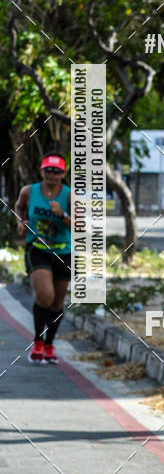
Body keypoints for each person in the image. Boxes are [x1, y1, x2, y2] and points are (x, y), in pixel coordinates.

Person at [15, 152, 71, 364]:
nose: (52, 175)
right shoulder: (29, 191)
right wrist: (21, 222)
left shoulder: (69, 196)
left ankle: (49, 345)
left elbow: (80, 225)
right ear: (42, 171)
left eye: (57, 171)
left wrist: (62, 215)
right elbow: (19, 207)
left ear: (63, 173)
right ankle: (38, 342)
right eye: (48, 170)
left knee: (57, 302)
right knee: (45, 295)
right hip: (37, 249)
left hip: (63, 252)